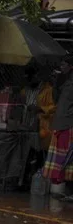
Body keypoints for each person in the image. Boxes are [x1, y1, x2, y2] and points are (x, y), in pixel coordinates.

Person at [43, 56, 73, 196]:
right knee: (61, 159)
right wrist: (56, 82)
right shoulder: (65, 83)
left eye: (64, 65)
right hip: (61, 124)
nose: (61, 68)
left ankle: (67, 190)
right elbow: (56, 100)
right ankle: (60, 189)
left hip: (69, 124)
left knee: (66, 158)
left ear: (70, 67)